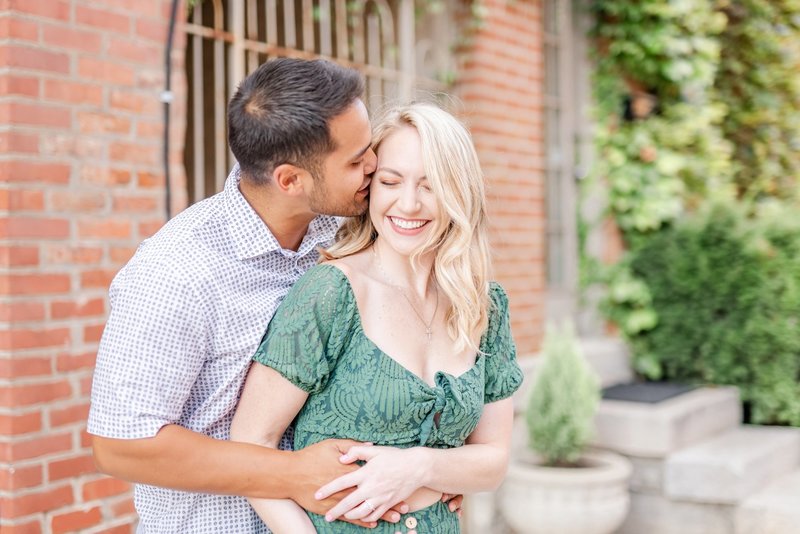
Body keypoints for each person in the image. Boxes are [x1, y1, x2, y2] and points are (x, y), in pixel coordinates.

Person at [88, 57, 427, 532]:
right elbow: (121, 445)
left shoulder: (348, 230)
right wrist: (293, 474)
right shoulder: (174, 273)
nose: (374, 164)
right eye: (355, 160)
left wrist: (428, 478)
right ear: (291, 180)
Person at [230, 102, 524, 533]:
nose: (408, 204)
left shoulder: (483, 306)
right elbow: (252, 444)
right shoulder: (330, 293)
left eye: (431, 185)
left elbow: (493, 462)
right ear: (370, 186)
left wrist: (419, 466)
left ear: (458, 192)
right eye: (390, 181)